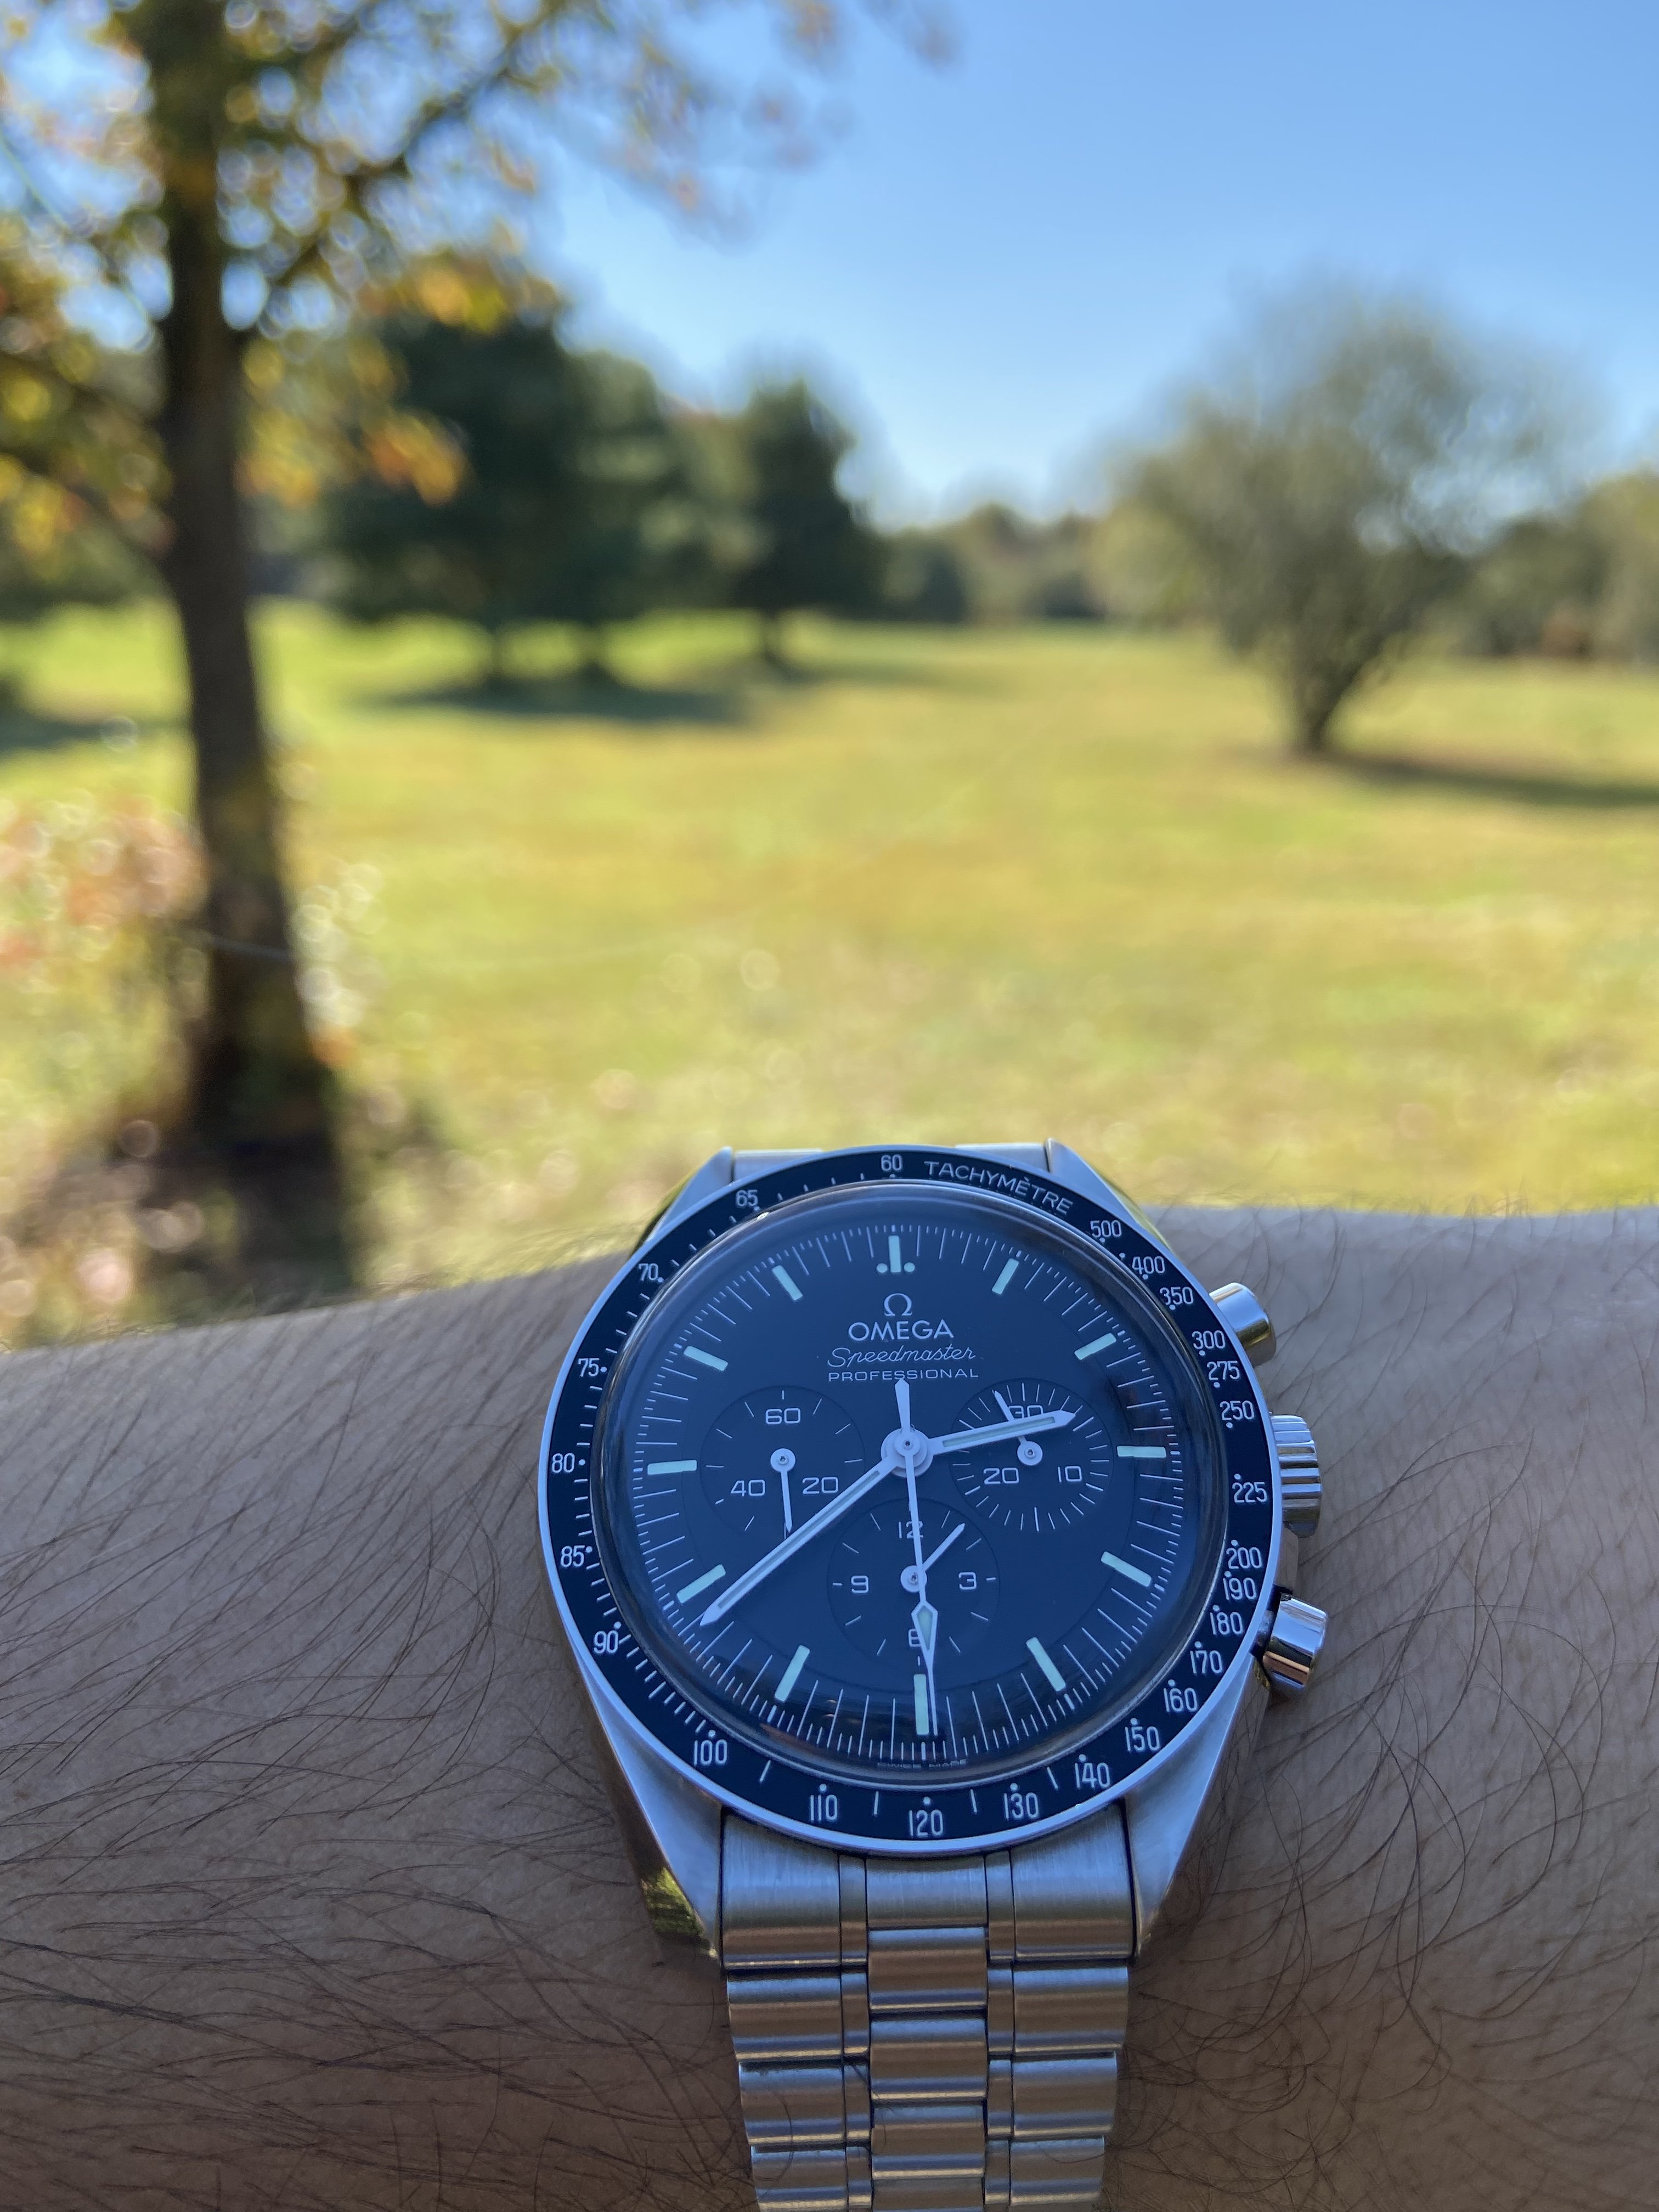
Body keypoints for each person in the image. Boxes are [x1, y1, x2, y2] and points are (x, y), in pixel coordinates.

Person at [0, 1206, 1651, 2210]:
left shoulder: (1200, 1478)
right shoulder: (679, 1444)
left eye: (937, 1441)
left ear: (1271, 1490)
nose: (912, 1449)